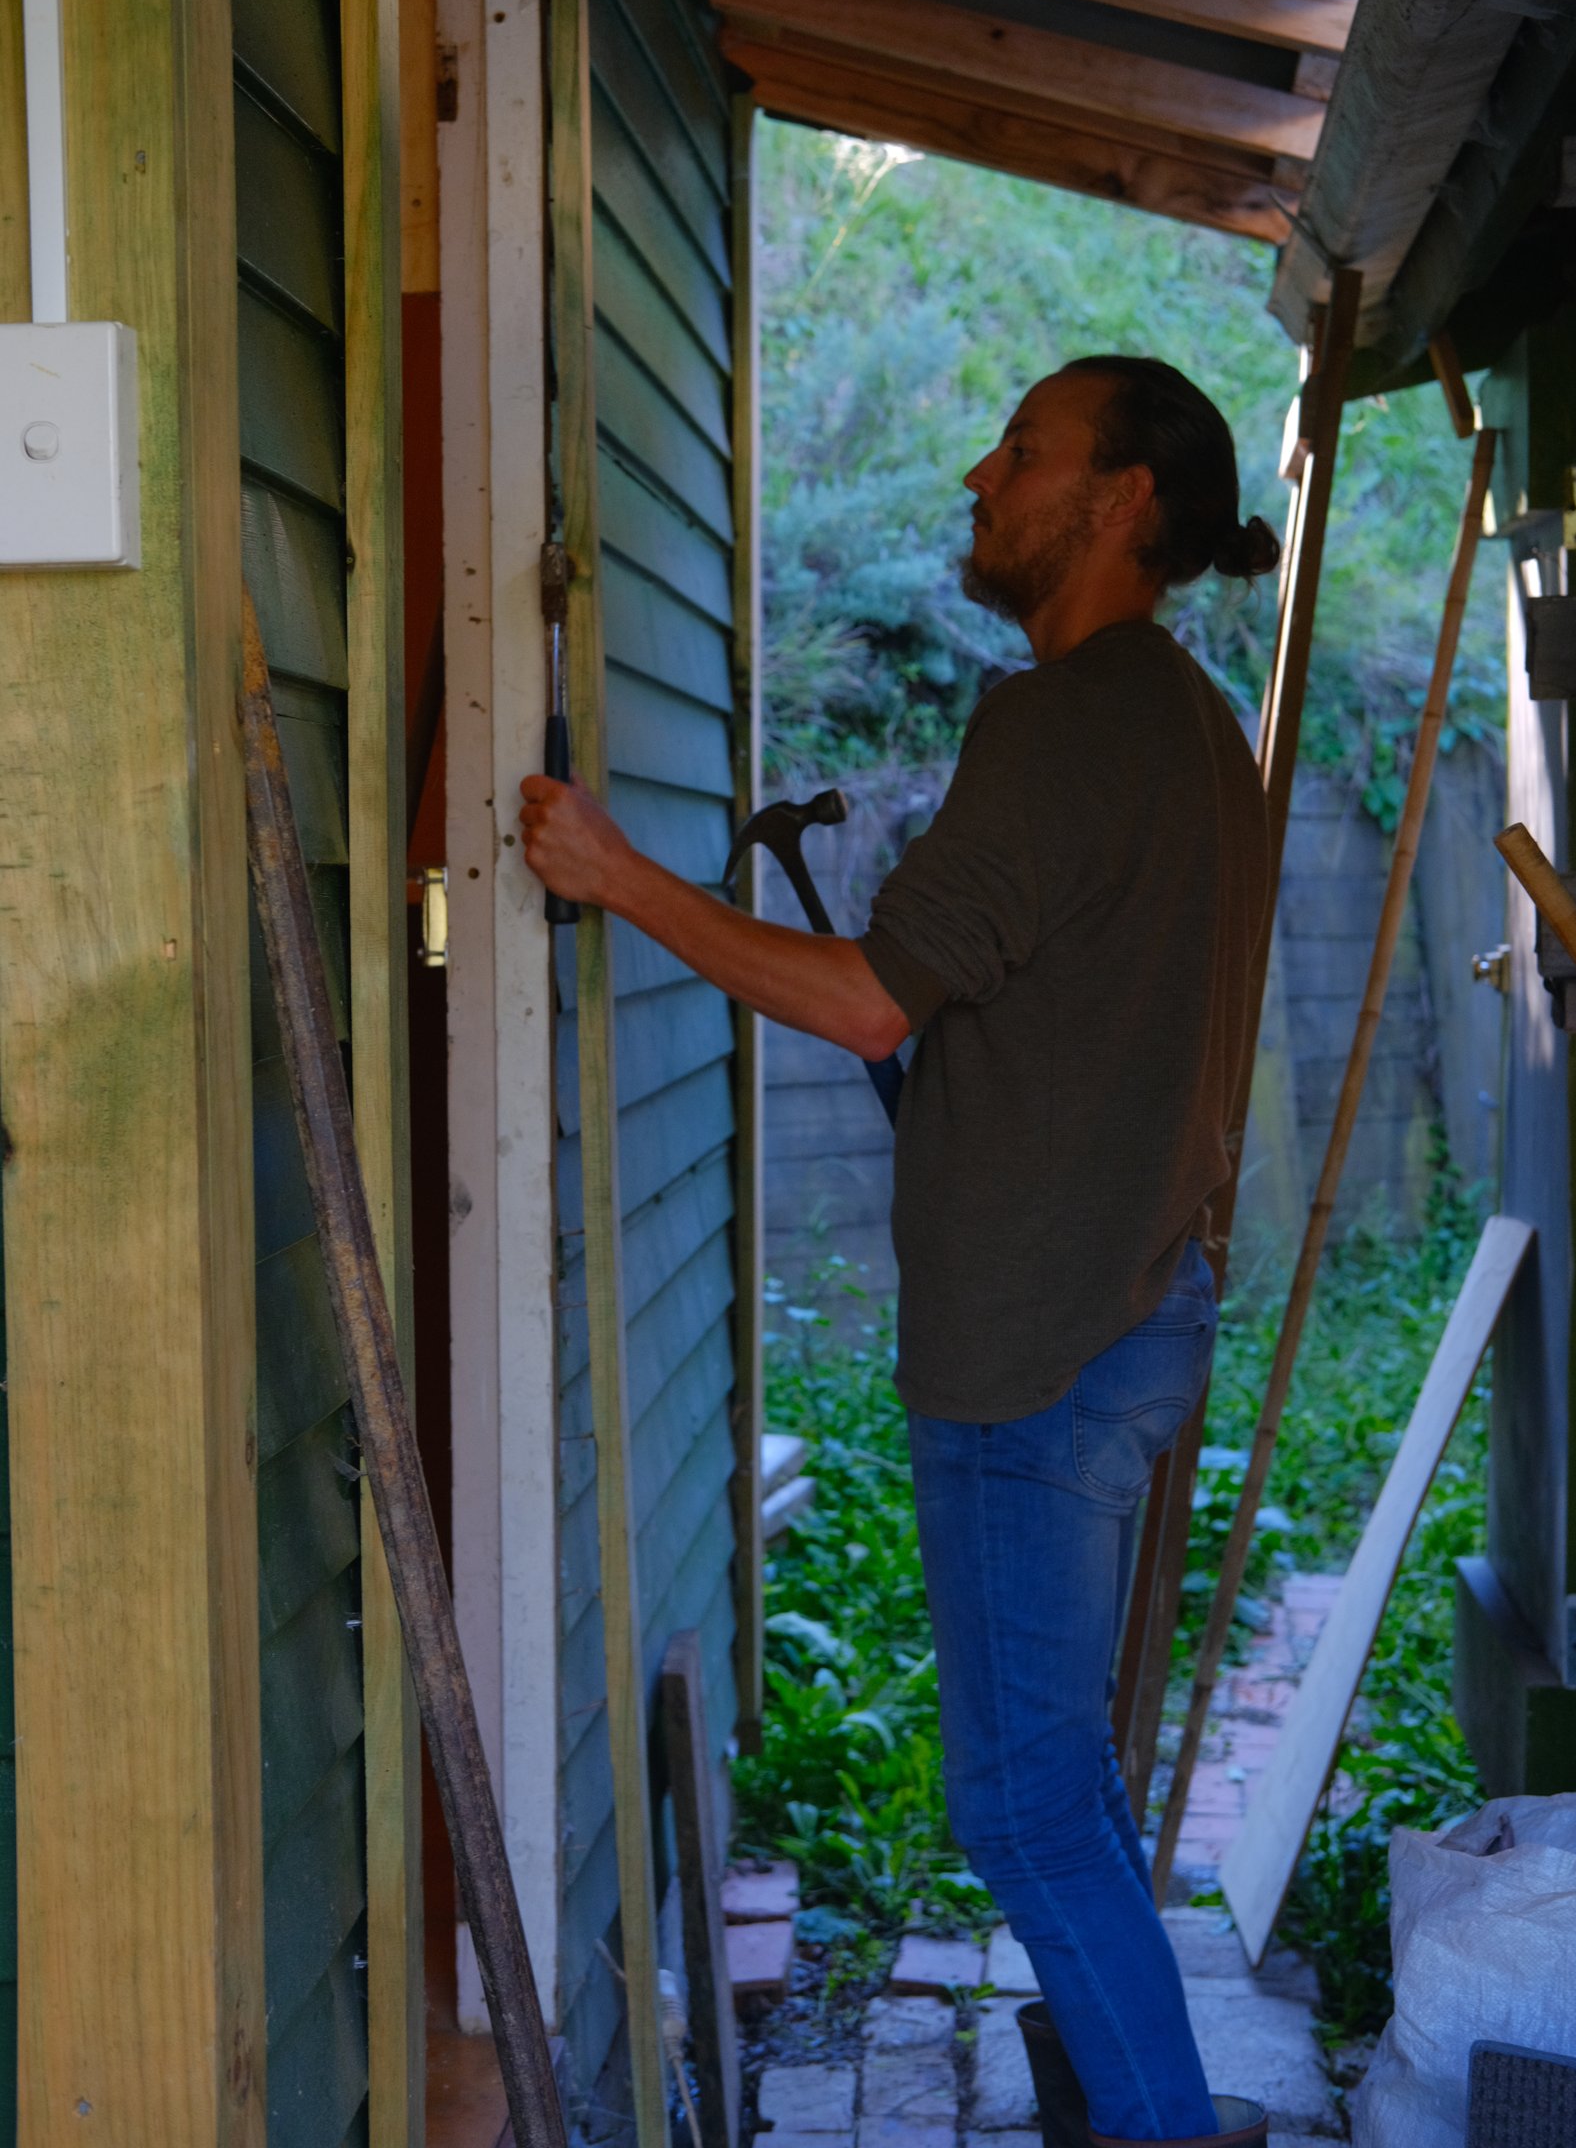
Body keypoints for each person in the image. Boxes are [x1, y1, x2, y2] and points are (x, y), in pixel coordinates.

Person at [520, 356, 1277, 2147]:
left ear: (1122, 505)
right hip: (1134, 1302)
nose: (979, 473)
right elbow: (1056, 1016)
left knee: (1021, 1806)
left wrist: (619, 875)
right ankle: (1154, 2106)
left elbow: (867, 1001)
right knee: (1061, 1787)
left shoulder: (1065, 723)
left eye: (1024, 452)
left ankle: (1164, 2127)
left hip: (1042, 1340)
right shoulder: (1192, 728)